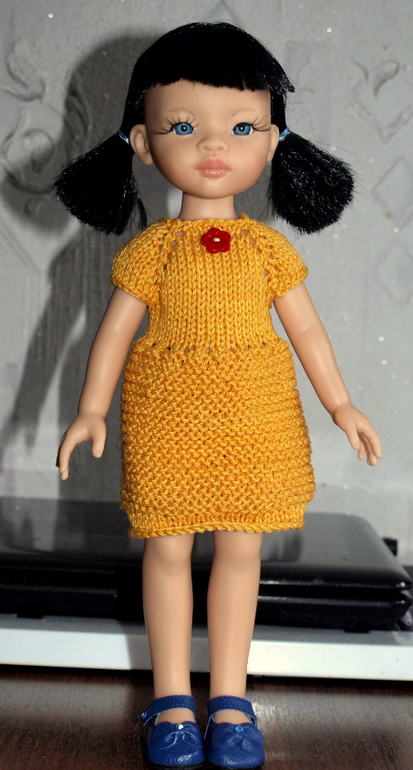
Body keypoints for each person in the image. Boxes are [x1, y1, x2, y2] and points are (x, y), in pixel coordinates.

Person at [55, 22, 381, 770]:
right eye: (182, 126)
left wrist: (340, 404)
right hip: (166, 411)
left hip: (256, 413)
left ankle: (230, 701)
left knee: (242, 550)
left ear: (273, 141)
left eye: (241, 127)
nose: (212, 145)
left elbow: (307, 330)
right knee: (166, 550)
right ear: (143, 144)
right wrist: (91, 408)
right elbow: (112, 333)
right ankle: (172, 701)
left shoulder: (268, 249)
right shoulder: (151, 251)